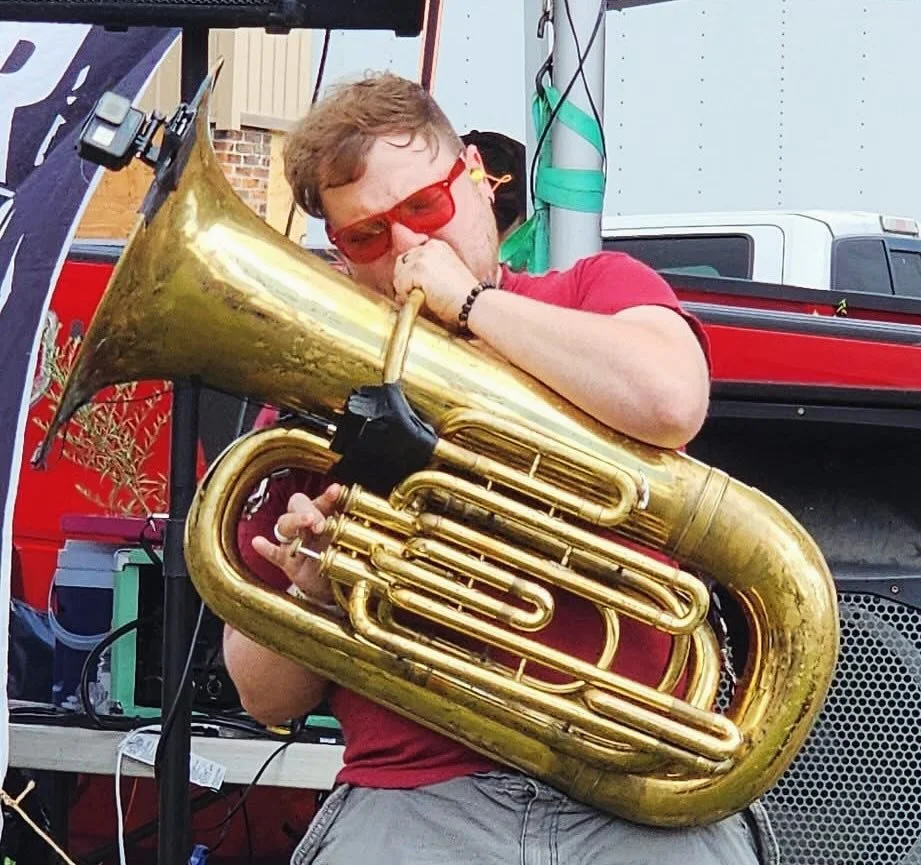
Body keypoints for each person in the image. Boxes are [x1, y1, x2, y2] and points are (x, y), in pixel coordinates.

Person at [224, 71, 771, 865]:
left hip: (630, 781)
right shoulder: (314, 395)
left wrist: (469, 307)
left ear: (478, 181)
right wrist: (314, 587)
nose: (408, 247)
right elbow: (262, 696)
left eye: (424, 208)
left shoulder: (590, 292)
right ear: (340, 258)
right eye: (368, 236)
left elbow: (668, 398)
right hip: (415, 796)